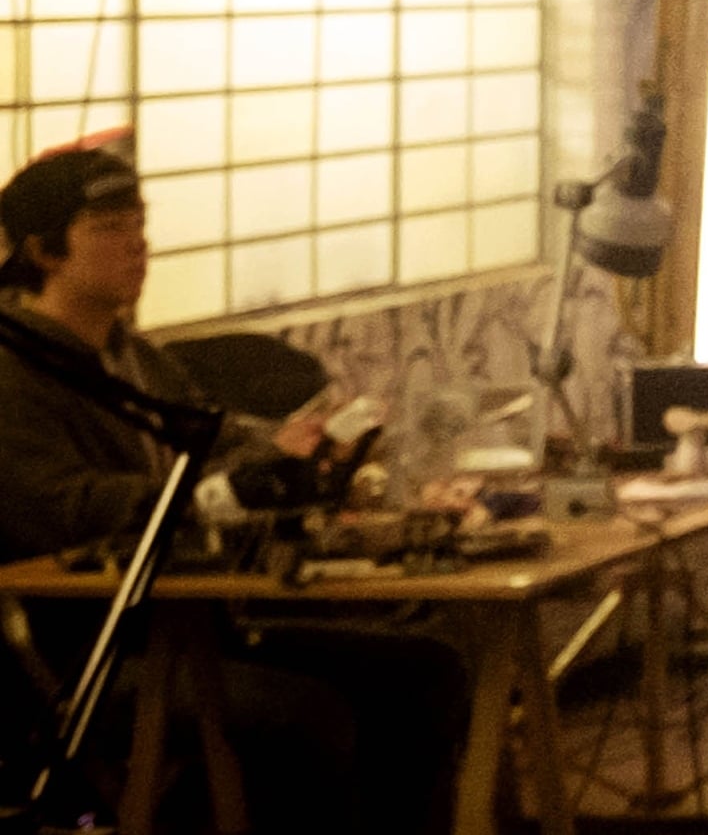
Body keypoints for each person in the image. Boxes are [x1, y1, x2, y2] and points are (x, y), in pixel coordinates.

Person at [0, 149, 467, 832]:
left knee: (426, 673)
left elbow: (217, 436)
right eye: (109, 227)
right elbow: (66, 507)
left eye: (141, 222)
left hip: (196, 623)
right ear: (43, 250)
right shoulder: (16, 371)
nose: (139, 243)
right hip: (86, 652)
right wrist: (211, 492)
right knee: (304, 716)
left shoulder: (133, 356)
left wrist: (293, 447)